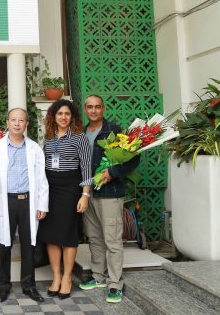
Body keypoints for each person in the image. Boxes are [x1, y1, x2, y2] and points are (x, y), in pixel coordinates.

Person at [79, 95, 140, 303]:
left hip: (110, 194)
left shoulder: (115, 131)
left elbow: (133, 158)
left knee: (112, 240)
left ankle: (115, 283)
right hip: (89, 193)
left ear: (103, 109)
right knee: (94, 237)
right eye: (90, 107)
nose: (94, 110)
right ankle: (98, 276)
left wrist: (112, 173)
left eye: (97, 107)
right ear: (85, 109)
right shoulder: (82, 133)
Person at [0, 108, 49, 303]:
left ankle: (29, 286)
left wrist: (42, 205)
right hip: (5, 202)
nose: (17, 123)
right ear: (7, 122)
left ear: (26, 124)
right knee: (4, 244)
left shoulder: (34, 148)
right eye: (13, 119)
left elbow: (41, 178)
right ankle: (3, 286)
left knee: (29, 245)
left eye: (21, 120)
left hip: (28, 201)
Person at [37, 99, 92, 300]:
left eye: (67, 114)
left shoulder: (80, 138)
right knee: (51, 234)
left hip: (71, 189)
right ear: (53, 116)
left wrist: (85, 195)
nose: (63, 117)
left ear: (73, 117)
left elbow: (86, 168)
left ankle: (68, 278)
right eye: (59, 113)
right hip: (50, 188)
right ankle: (57, 277)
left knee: (68, 234)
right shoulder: (49, 137)